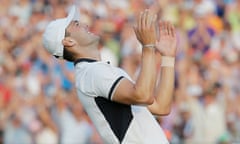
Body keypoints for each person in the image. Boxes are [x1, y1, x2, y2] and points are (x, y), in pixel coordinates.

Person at [42, 5, 177, 144]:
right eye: (76, 24)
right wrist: (148, 47)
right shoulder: (91, 72)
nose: (85, 24)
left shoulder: (92, 71)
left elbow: (161, 107)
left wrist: (168, 57)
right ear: (69, 41)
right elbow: (143, 95)